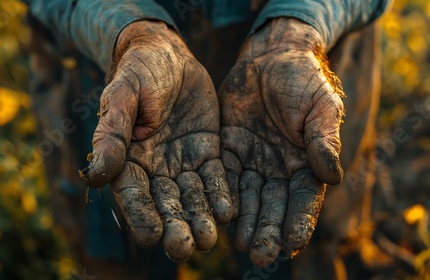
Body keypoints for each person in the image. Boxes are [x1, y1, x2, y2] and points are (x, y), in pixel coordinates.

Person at [23, 0, 390, 279]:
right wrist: (131, 31)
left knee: (308, 250)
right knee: (119, 252)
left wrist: (294, 30)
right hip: (103, 57)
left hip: (312, 47)